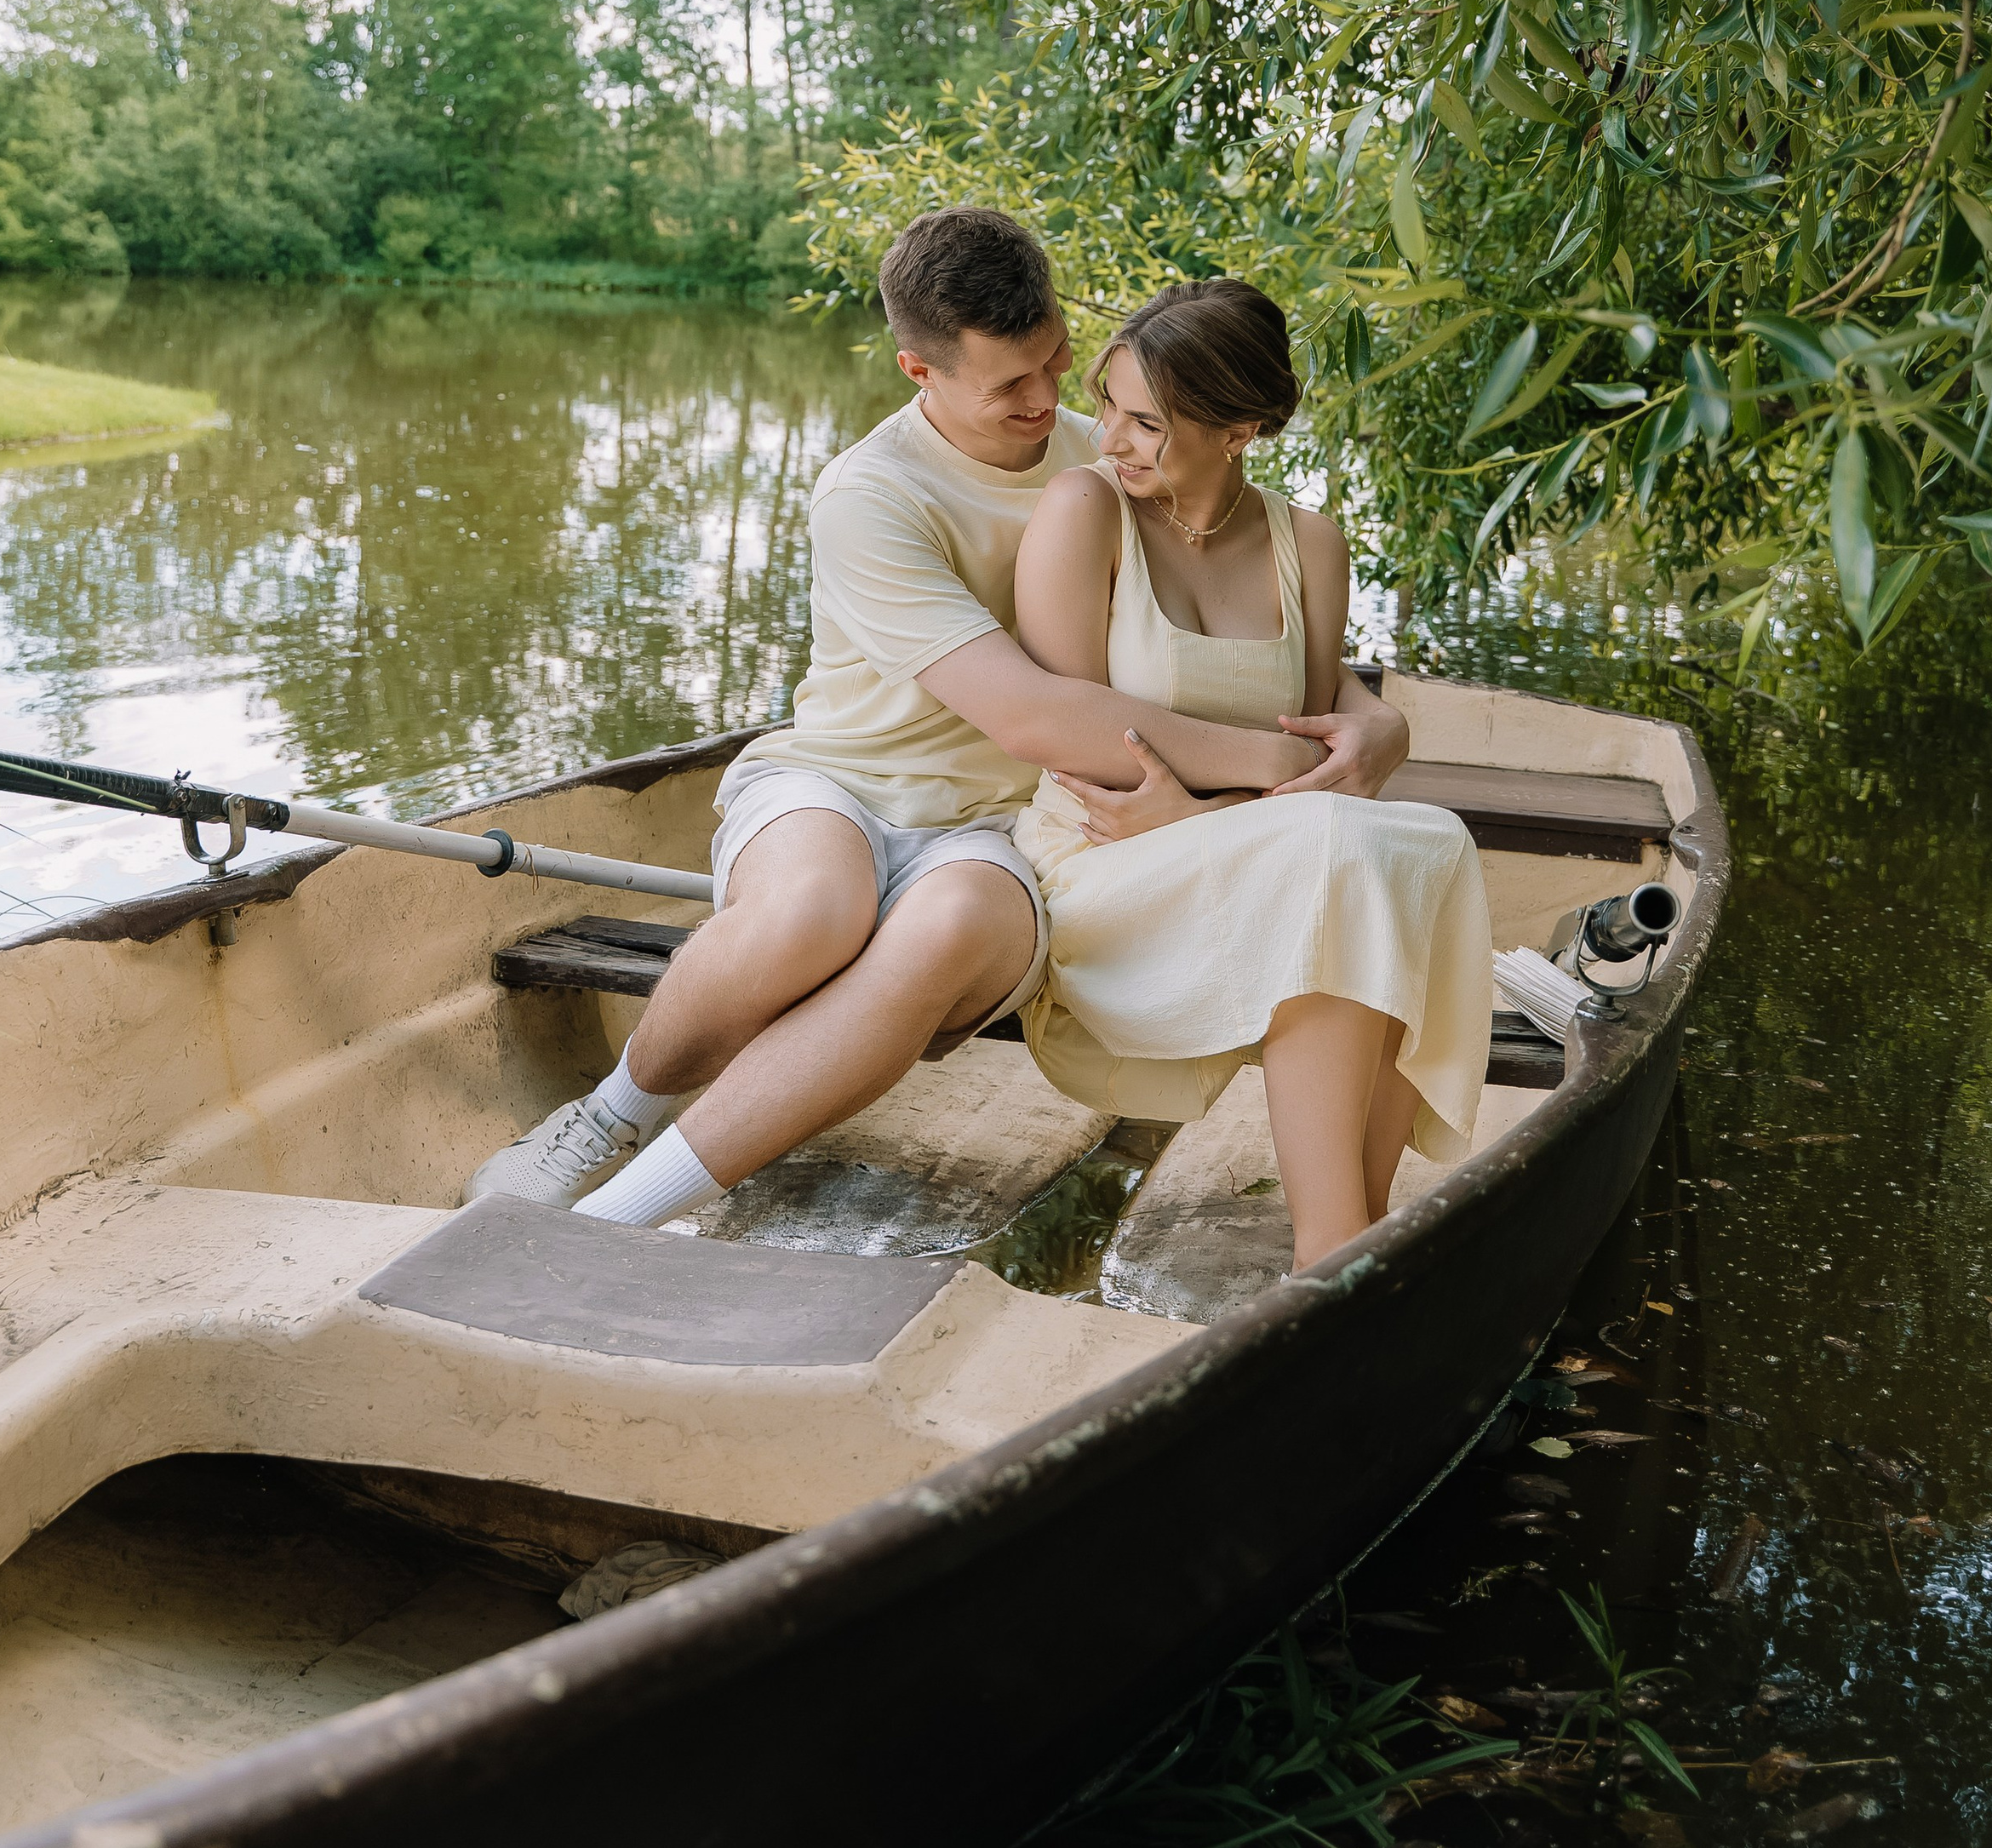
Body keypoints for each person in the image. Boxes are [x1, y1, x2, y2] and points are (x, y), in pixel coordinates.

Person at [467, 207, 1411, 1225]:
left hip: (1007, 828)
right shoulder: (871, 496)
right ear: (921, 372)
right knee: (811, 917)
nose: (1048, 400)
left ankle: (626, 1216)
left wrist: (1371, 718)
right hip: (836, 781)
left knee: (947, 926)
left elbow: (1232, 626)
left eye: (1054, 360)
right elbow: (1026, 712)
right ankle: (609, 1119)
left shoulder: (1112, 456)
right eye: (1011, 383)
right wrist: (1280, 762)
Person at [1006, 277, 1492, 1268]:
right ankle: (1335, 1244)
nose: (1108, 438)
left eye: (1145, 422)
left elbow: (1312, 745)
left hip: (1233, 838)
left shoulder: (1305, 544)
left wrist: (1359, 735)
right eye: (1106, 404)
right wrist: (1197, 816)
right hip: (1104, 850)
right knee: (1330, 857)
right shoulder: (1083, 510)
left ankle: (1362, 1214)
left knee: (1430, 841)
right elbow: (1071, 733)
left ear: (1243, 429)